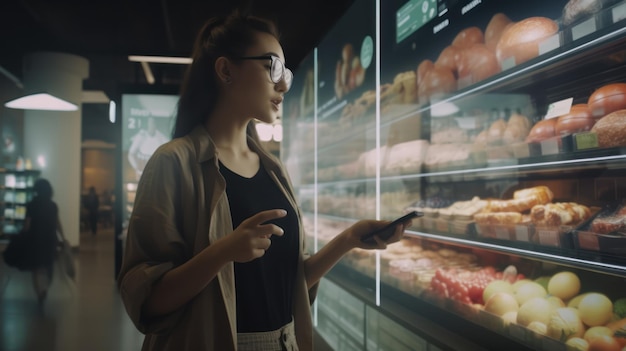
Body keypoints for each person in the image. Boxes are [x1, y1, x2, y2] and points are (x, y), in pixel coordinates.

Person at [117, 11, 412, 351]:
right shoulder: (173, 163)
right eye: (272, 66)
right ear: (226, 70)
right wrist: (224, 251)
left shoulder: (274, 169)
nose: (284, 83)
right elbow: (147, 300)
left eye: (285, 72)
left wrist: (348, 239)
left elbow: (290, 283)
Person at [22, 179, 65, 306]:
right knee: (49, 266)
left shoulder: (31, 205)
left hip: (34, 240)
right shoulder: (53, 205)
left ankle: (39, 292)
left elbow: (27, 224)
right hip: (50, 240)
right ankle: (45, 287)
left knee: (36, 268)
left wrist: (22, 236)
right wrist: (63, 237)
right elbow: (57, 223)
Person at [127, 116, 169, 180]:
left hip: (156, 172)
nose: (150, 125)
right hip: (141, 170)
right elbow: (131, 154)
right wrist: (136, 168)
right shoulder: (141, 136)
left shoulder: (162, 139)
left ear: (155, 124)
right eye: (149, 123)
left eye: (152, 123)